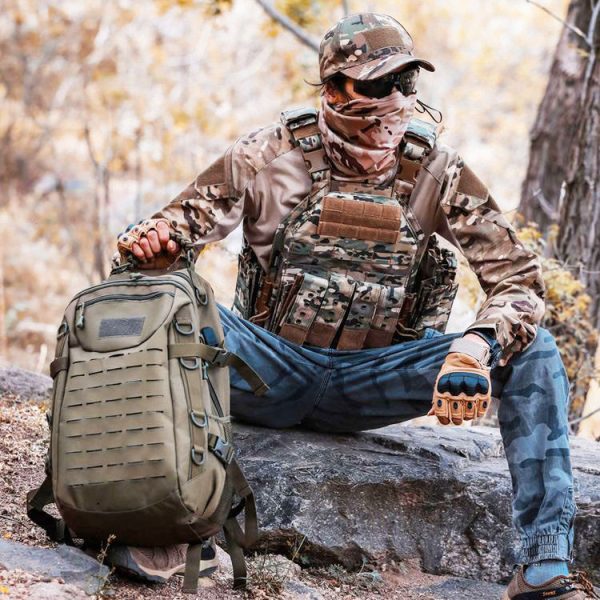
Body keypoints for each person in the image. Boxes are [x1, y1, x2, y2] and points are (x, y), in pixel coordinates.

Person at [114, 13, 598, 599]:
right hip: (268, 369)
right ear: (335, 88)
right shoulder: (267, 153)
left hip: (376, 380)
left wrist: (478, 344)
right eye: (377, 84)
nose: (394, 98)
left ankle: (543, 566)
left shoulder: (436, 170)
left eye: (405, 83)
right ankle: (163, 528)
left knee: (534, 349)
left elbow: (519, 282)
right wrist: (156, 246)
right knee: (161, 305)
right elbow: (172, 230)